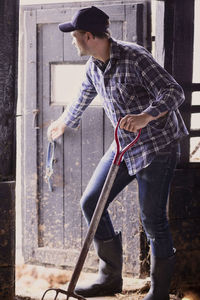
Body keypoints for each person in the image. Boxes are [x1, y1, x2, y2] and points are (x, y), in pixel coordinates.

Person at [47, 6, 188, 300]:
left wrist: (145, 116)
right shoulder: (93, 67)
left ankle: (159, 292)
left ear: (88, 36)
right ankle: (109, 278)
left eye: (75, 36)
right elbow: (83, 97)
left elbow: (174, 92)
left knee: (152, 219)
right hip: (124, 145)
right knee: (91, 203)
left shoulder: (134, 57)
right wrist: (63, 123)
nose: (73, 41)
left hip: (157, 145)